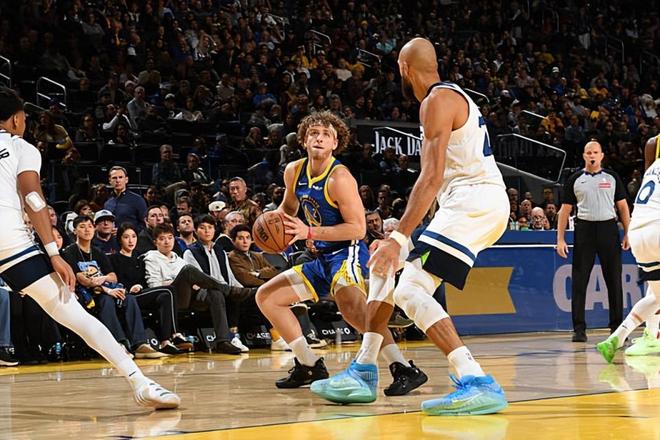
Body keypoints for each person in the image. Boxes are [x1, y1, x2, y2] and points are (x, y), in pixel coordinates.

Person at [311, 39, 509, 415]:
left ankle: (477, 380)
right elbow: (438, 181)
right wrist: (400, 239)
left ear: (404, 68)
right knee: (383, 266)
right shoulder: (449, 97)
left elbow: (430, 176)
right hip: (465, 202)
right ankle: (364, 370)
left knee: (411, 290)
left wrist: (401, 234)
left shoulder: (436, 100)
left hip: (474, 200)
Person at [0, 87, 178, 408]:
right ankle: (139, 382)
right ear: (15, 119)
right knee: (71, 312)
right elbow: (33, 198)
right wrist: (54, 253)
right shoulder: (20, 147)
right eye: (24, 117)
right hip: (9, 242)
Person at [255, 110, 425, 393]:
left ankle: (403, 367)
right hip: (321, 256)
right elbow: (287, 210)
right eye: (313, 133)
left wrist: (309, 232)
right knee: (267, 298)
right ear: (304, 140)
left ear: (335, 143)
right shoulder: (294, 171)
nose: (319, 138)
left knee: (354, 312)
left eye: (326, 135)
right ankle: (308, 364)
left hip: (348, 252)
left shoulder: (340, 178)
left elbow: (357, 229)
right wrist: (273, 228)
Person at [556, 141, 630, 342]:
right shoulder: (575, 179)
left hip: (608, 229)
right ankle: (579, 329)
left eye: (595, 152)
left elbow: (623, 207)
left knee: (614, 280)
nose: (592, 155)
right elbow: (564, 211)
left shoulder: (612, 177)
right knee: (579, 280)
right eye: (589, 152)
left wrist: (628, 233)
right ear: (584, 155)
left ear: (602, 155)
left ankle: (616, 328)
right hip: (585, 230)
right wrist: (560, 239)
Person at [596, 154, 660, 362]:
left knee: (657, 297)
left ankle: (617, 337)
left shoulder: (654, 166)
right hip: (657, 227)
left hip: (638, 234)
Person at [109, 223, 191, 355]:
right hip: (127, 296)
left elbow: (144, 281)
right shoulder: (113, 258)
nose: (131, 240)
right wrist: (129, 287)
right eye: (126, 237)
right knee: (168, 290)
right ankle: (175, 334)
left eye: (134, 236)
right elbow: (114, 281)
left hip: (142, 293)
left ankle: (165, 341)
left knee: (165, 296)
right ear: (120, 239)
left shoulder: (139, 258)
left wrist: (140, 286)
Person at [621, 135, 660, 356]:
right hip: (655, 221)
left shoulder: (653, 146)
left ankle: (641, 334)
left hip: (641, 223)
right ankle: (651, 334)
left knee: (656, 291)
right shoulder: (653, 144)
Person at [104, 166, 147, 232]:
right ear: (110, 180)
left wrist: (126, 232)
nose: (117, 180)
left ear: (126, 180)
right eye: (114, 178)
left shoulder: (138, 200)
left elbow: (144, 224)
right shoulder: (107, 203)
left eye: (120, 177)